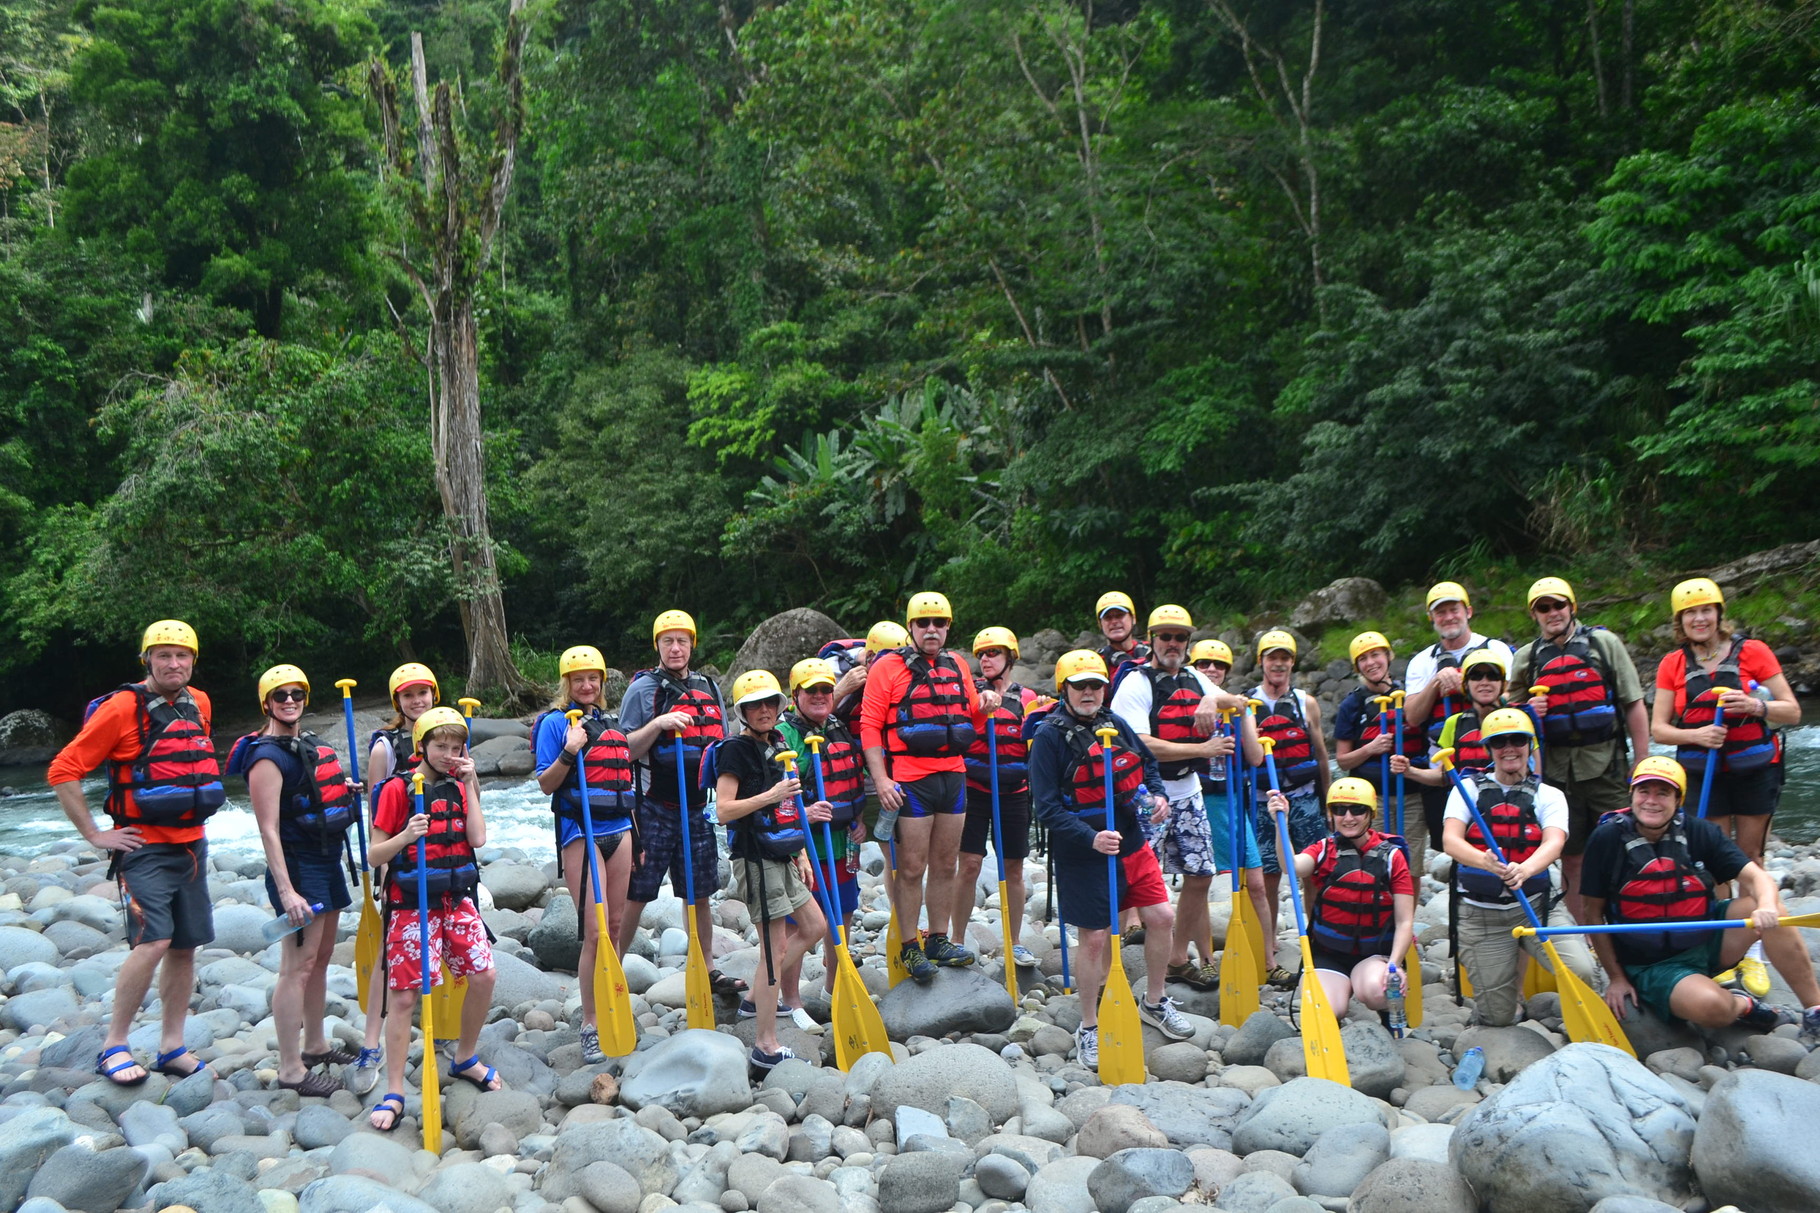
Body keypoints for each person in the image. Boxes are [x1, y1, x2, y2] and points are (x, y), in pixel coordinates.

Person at [50, 620, 225, 1087]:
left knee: (186, 946)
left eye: (182, 655)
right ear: (146, 660)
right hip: (144, 847)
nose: (173, 664)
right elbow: (64, 769)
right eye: (163, 655)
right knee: (153, 942)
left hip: (192, 844)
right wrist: (94, 833)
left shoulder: (199, 702)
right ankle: (114, 1045)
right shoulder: (122, 708)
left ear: (193, 660)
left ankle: (172, 1046)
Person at [1030, 650, 1193, 1064]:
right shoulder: (1050, 738)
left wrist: (1157, 796)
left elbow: (1148, 764)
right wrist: (1090, 838)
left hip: (1132, 843)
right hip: (1083, 853)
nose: (1089, 692)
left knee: (1161, 918)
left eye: (1096, 685)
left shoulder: (1115, 723)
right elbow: (1046, 808)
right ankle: (1089, 1026)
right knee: (1095, 940)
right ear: (1064, 689)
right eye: (1080, 685)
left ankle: (1154, 1002)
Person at [1580, 756, 1820, 1038]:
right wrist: (1617, 978)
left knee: (1772, 910)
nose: (1651, 801)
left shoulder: (1699, 832)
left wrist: (1766, 905)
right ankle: (1744, 1005)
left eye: (1663, 793)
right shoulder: (1606, 839)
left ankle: (1814, 1010)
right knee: (1712, 1007)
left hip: (1707, 936)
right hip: (1652, 963)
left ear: (1678, 799)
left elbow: (1757, 878)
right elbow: (1592, 914)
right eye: (1644, 791)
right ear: (1632, 794)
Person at [1648, 577, 1801, 998]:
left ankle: (1757, 947)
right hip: (1703, 771)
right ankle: (1728, 946)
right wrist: (1696, 736)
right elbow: (1661, 727)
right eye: (1690, 613)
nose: (1699, 618)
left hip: (1755, 770)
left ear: (1718, 614)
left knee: (1749, 855)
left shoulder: (1753, 652)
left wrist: (1756, 705)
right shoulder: (1672, 664)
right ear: (1680, 621)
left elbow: (1791, 710)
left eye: (1706, 610)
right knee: (1717, 863)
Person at [366, 706, 501, 1130]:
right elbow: (373, 854)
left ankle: (464, 1057)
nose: (447, 753)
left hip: (456, 898)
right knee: (404, 997)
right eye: (439, 746)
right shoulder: (395, 790)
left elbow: (477, 838)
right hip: (411, 903)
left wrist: (471, 783)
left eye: (455, 747)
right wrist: (407, 835)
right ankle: (394, 1090)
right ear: (421, 745)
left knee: (484, 975)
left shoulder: (460, 787)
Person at [233, 665, 359, 1096]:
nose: (290, 701)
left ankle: (316, 1045)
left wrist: (343, 790)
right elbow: (267, 828)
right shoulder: (266, 757)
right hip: (299, 867)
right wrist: (286, 890)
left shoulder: (307, 744)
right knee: (296, 967)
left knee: (321, 959)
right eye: (281, 695)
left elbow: (313, 792)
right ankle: (290, 1069)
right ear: (267, 703)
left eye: (297, 694)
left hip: (327, 859)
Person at [860, 591, 995, 983]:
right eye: (924, 623)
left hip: (953, 776)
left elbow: (969, 721)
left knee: (946, 863)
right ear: (911, 628)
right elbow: (870, 727)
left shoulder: (958, 666)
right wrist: (882, 779)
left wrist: (985, 705)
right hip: (910, 779)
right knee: (911, 867)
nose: (932, 629)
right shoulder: (887, 668)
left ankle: (938, 939)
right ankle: (908, 947)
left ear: (948, 627)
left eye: (939, 623)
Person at [1111, 606, 1247, 990]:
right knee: (1130, 881)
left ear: (1188, 642)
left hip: (1188, 791)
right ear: (1152, 639)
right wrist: (1203, 751)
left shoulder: (1195, 679)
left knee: (1202, 874)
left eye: (1180, 637)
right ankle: (1111, 968)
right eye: (1166, 636)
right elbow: (1139, 745)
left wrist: (1212, 701)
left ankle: (1176, 956)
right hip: (1146, 794)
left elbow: (1237, 702)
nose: (1173, 643)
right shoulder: (1137, 683)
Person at [1439, 709, 1597, 1026]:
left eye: (1518, 740)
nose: (1509, 748)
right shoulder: (1465, 790)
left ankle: (1580, 1022)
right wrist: (1484, 860)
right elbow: (1450, 841)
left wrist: (1523, 870)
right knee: (1497, 1018)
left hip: (1536, 908)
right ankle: (1504, 1002)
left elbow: (1554, 843)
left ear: (1529, 745)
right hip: (1481, 914)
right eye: (1499, 742)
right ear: (1489, 749)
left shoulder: (1550, 795)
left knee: (1581, 969)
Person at [1510, 577, 1652, 924]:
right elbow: (1510, 718)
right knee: (1571, 856)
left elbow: (1633, 703)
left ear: (1572, 607)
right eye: (1543, 608)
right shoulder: (1527, 658)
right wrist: (1530, 709)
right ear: (1535, 615)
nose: (1552, 613)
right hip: (1557, 774)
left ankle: (1630, 923)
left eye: (1558, 605)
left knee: (1625, 845)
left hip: (1606, 764)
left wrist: (1644, 760)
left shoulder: (1603, 644)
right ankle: (1586, 934)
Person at [350, 661, 462, 1094]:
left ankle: (443, 1027)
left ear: (434, 694)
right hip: (400, 862)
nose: (418, 701)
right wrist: (381, 871)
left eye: (424, 693)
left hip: (444, 864)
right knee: (387, 958)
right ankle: (371, 1042)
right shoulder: (386, 747)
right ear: (398, 701)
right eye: (409, 695)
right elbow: (380, 809)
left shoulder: (448, 735)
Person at [713, 670, 832, 1070]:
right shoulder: (735, 750)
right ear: (743, 711)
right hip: (754, 858)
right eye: (755, 705)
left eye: (770, 703)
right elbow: (723, 809)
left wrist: (799, 851)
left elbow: (786, 809)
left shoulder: (778, 742)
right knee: (774, 948)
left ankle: (753, 1001)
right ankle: (765, 1044)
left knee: (815, 926)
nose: (764, 710)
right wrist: (771, 794)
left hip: (782, 854)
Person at [617, 610, 733, 996]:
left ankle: (707, 966)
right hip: (652, 806)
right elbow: (623, 751)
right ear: (658, 646)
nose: (676, 647)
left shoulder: (710, 688)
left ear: (692, 644)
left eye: (682, 640)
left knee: (699, 892)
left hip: (697, 808)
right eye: (668, 641)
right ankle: (614, 965)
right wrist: (659, 724)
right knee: (639, 891)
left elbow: (725, 748)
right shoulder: (643, 690)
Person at [532, 645, 636, 1065]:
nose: (588, 685)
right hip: (581, 831)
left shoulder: (607, 722)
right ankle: (590, 1023)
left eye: (593, 678)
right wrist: (569, 750)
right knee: (594, 932)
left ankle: (611, 1005)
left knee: (614, 926)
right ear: (567, 684)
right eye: (579, 680)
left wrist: (638, 836)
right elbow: (545, 783)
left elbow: (625, 782)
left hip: (620, 829)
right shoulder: (556, 724)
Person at [1264, 777, 1415, 1021]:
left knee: (1378, 991)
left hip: (1374, 953)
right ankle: (1337, 1000)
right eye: (1339, 809)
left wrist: (1394, 965)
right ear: (1330, 813)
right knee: (1325, 1011)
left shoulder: (1392, 857)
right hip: (1329, 952)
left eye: (1357, 810)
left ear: (1370, 814)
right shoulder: (1324, 849)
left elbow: (1405, 921)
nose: (1348, 817)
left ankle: (1387, 1015)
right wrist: (1281, 824)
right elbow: (1290, 867)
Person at [777, 655, 864, 1027]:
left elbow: (854, 780)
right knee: (800, 925)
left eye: (826, 690)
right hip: (803, 846)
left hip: (839, 842)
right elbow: (775, 797)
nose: (820, 696)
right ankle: (791, 1001)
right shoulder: (785, 735)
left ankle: (834, 989)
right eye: (811, 691)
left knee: (840, 918)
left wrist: (858, 820)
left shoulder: (839, 727)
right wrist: (804, 814)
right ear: (795, 695)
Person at [956, 627, 1046, 971]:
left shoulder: (1028, 700)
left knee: (1014, 868)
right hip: (975, 793)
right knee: (969, 866)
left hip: (1014, 794)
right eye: (982, 654)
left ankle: (1015, 941)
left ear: (1010, 657)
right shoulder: (970, 696)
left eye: (993, 653)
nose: (986, 659)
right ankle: (957, 938)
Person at [1403, 582, 1513, 858]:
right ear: (1432, 618)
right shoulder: (1422, 661)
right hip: (1446, 768)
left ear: (1469, 612)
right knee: (1454, 848)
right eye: (1440, 612)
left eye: (1454, 609)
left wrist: (1468, 682)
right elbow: (1413, 717)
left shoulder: (1496, 649)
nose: (1449, 617)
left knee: (1504, 838)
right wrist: (1435, 684)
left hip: (1494, 760)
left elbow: (1513, 700)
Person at [1249, 628, 1327, 987]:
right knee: (1268, 875)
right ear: (1261, 662)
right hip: (1266, 800)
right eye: (1271, 657)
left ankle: (1315, 936)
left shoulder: (1305, 702)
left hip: (1305, 796)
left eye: (1284, 657)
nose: (1278, 663)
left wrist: (1327, 800)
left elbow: (1320, 752)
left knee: (1312, 871)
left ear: (1292, 662)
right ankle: (1269, 948)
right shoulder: (1248, 704)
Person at [1190, 639, 1271, 962]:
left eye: (1219, 665)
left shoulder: (1240, 708)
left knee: (1256, 883)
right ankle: (1207, 957)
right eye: (1204, 664)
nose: (1212, 670)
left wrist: (1243, 715)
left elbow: (1255, 758)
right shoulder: (1186, 708)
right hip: (1201, 800)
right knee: (1200, 883)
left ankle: (1268, 958)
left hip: (1234, 800)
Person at [1333, 631, 1428, 806]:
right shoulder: (1351, 704)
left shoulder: (1411, 696)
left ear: (1388, 656)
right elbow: (1343, 761)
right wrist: (1370, 748)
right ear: (1357, 667)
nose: (1370, 663)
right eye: (1362, 659)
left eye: (1375, 655)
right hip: (1370, 797)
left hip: (1412, 794)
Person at [1396, 648, 1510, 784]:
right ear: (1466, 685)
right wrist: (1410, 771)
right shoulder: (1454, 723)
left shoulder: (1518, 718)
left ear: (1503, 684)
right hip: (1465, 800)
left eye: (1492, 676)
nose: (1484, 682)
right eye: (1476, 676)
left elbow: (1534, 772)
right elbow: (1444, 775)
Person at [1093, 591, 1152, 672]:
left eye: (1120, 615)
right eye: (1108, 617)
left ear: (1133, 619)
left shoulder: (1152, 652)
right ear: (1100, 624)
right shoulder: (1095, 663)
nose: (1114, 622)